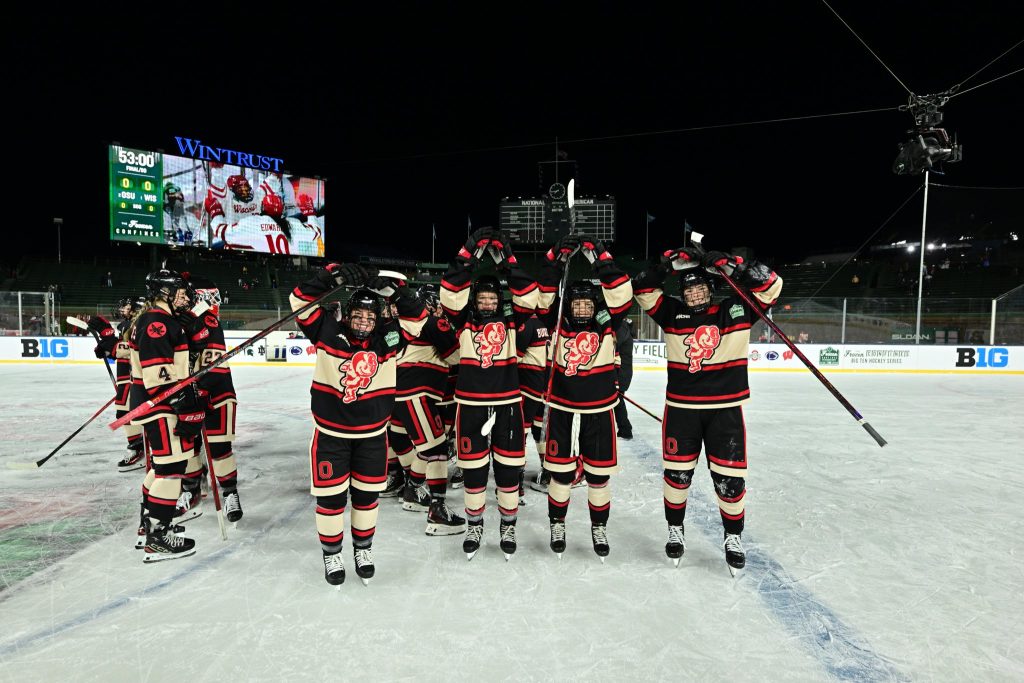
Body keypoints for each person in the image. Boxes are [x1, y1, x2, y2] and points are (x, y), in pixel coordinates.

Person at [633, 246, 783, 574]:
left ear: (711, 289)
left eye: (700, 288)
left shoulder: (737, 310)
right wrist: (666, 265)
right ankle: (676, 529)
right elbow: (642, 290)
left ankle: (733, 537)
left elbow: (772, 286)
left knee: (730, 480)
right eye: (688, 289)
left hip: (725, 411)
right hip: (682, 410)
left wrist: (734, 267)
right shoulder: (672, 313)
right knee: (677, 475)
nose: (695, 294)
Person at [290, 263, 426, 585]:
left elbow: (418, 318)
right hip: (330, 436)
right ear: (348, 315)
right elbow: (299, 300)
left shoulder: (389, 338)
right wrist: (331, 276)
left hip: (373, 438)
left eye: (370, 316)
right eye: (358, 316)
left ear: (377, 319)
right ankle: (332, 554)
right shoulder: (325, 329)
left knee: (366, 498)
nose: (364, 321)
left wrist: (390, 289)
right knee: (332, 499)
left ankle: (363, 549)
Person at [439, 227, 539, 560]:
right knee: (475, 470)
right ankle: (474, 524)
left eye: (491, 298)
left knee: (509, 471)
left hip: (508, 405)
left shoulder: (513, 320)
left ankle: (508, 525)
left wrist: (508, 261)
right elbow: (450, 292)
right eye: (481, 298)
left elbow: (529, 296)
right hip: (469, 406)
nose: (486, 303)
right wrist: (467, 253)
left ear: (499, 300)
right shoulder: (463, 319)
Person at [535, 234, 633, 559]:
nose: (580, 308)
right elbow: (545, 295)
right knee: (560, 474)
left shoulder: (608, 323)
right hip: (563, 408)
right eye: (576, 303)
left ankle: (598, 526)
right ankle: (557, 523)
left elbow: (620, 293)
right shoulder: (557, 319)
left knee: (598, 475)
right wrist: (556, 260)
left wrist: (600, 255)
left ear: (594, 306)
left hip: (599, 410)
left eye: (586, 304)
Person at [128, 269, 205, 562]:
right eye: (180, 292)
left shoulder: (159, 320)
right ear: (164, 293)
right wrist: (184, 400)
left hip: (158, 405)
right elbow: (158, 374)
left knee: (162, 466)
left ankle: (148, 526)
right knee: (171, 469)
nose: (185, 297)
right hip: (161, 405)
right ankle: (158, 537)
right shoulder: (156, 323)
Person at [389, 284, 465, 535]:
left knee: (428, 448)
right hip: (416, 393)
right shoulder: (433, 323)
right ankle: (437, 510)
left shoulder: (404, 325)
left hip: (401, 394)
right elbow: (456, 356)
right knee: (437, 451)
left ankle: (412, 491)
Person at [176, 274, 243, 524]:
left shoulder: (208, 320)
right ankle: (191, 490)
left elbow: (211, 360)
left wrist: (202, 389)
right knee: (189, 447)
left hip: (217, 392)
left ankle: (229, 493)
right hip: (187, 395)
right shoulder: (177, 319)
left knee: (219, 448)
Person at [89, 297, 146, 472]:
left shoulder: (142, 324)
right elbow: (122, 350)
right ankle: (137, 446)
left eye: (126, 307)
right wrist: (107, 348)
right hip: (126, 378)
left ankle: (141, 447)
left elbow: (133, 349)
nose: (122, 310)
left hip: (136, 378)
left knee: (130, 413)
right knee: (123, 412)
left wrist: (108, 339)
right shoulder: (127, 325)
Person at [613, 317, 634, 440]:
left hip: (621, 373)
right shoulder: (622, 327)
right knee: (617, 401)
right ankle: (625, 429)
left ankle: (625, 429)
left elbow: (612, 345)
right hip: (621, 372)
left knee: (617, 401)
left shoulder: (620, 329)